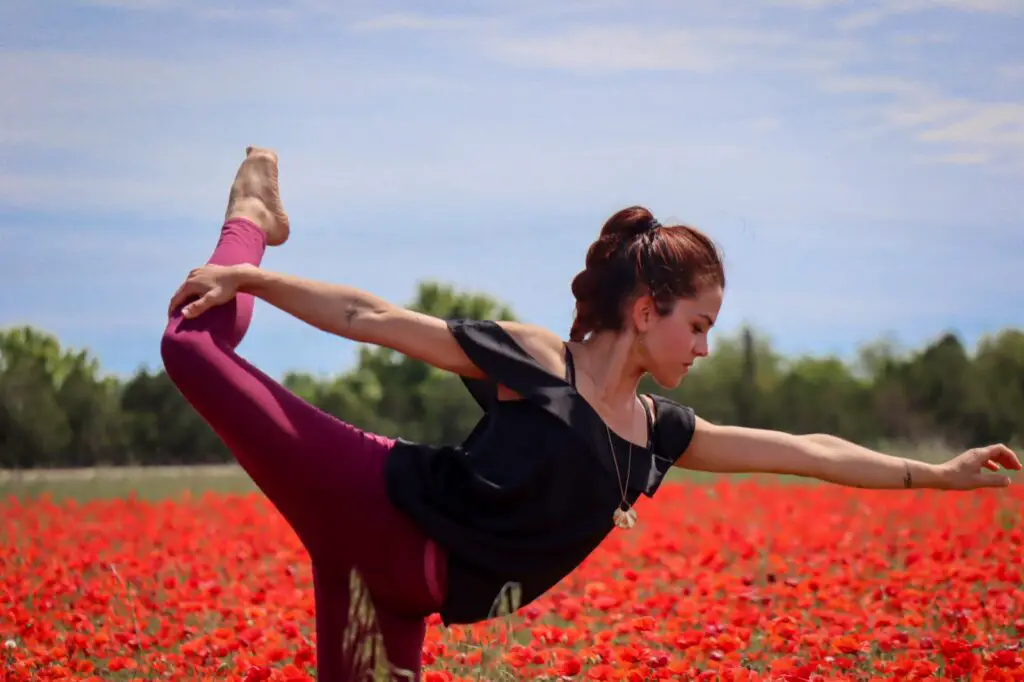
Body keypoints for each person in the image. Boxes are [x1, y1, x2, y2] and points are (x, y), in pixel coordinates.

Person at [162, 147, 1020, 681]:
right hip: (368, 502)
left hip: (396, 600)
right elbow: (373, 320)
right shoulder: (537, 363)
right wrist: (255, 277)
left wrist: (934, 477)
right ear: (646, 310)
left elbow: (807, 450)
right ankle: (250, 218)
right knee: (190, 347)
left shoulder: (658, 439)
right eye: (699, 326)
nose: (706, 348)